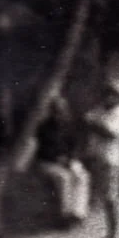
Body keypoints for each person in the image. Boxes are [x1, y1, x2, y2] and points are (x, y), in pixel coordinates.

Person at [84, 80, 119, 238]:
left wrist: (94, 124)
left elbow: (112, 133)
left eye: (113, 95)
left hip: (111, 160)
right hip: (96, 157)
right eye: (107, 94)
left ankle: (113, 237)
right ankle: (106, 235)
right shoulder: (99, 110)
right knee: (100, 198)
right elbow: (87, 123)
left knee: (111, 198)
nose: (109, 98)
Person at [36, 94, 90, 228]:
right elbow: (43, 150)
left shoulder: (68, 126)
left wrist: (70, 158)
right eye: (56, 110)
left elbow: (74, 146)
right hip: (48, 162)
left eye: (62, 110)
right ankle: (65, 216)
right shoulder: (43, 128)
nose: (59, 113)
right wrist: (58, 159)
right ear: (51, 111)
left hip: (66, 161)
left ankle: (78, 214)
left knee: (82, 176)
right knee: (64, 178)